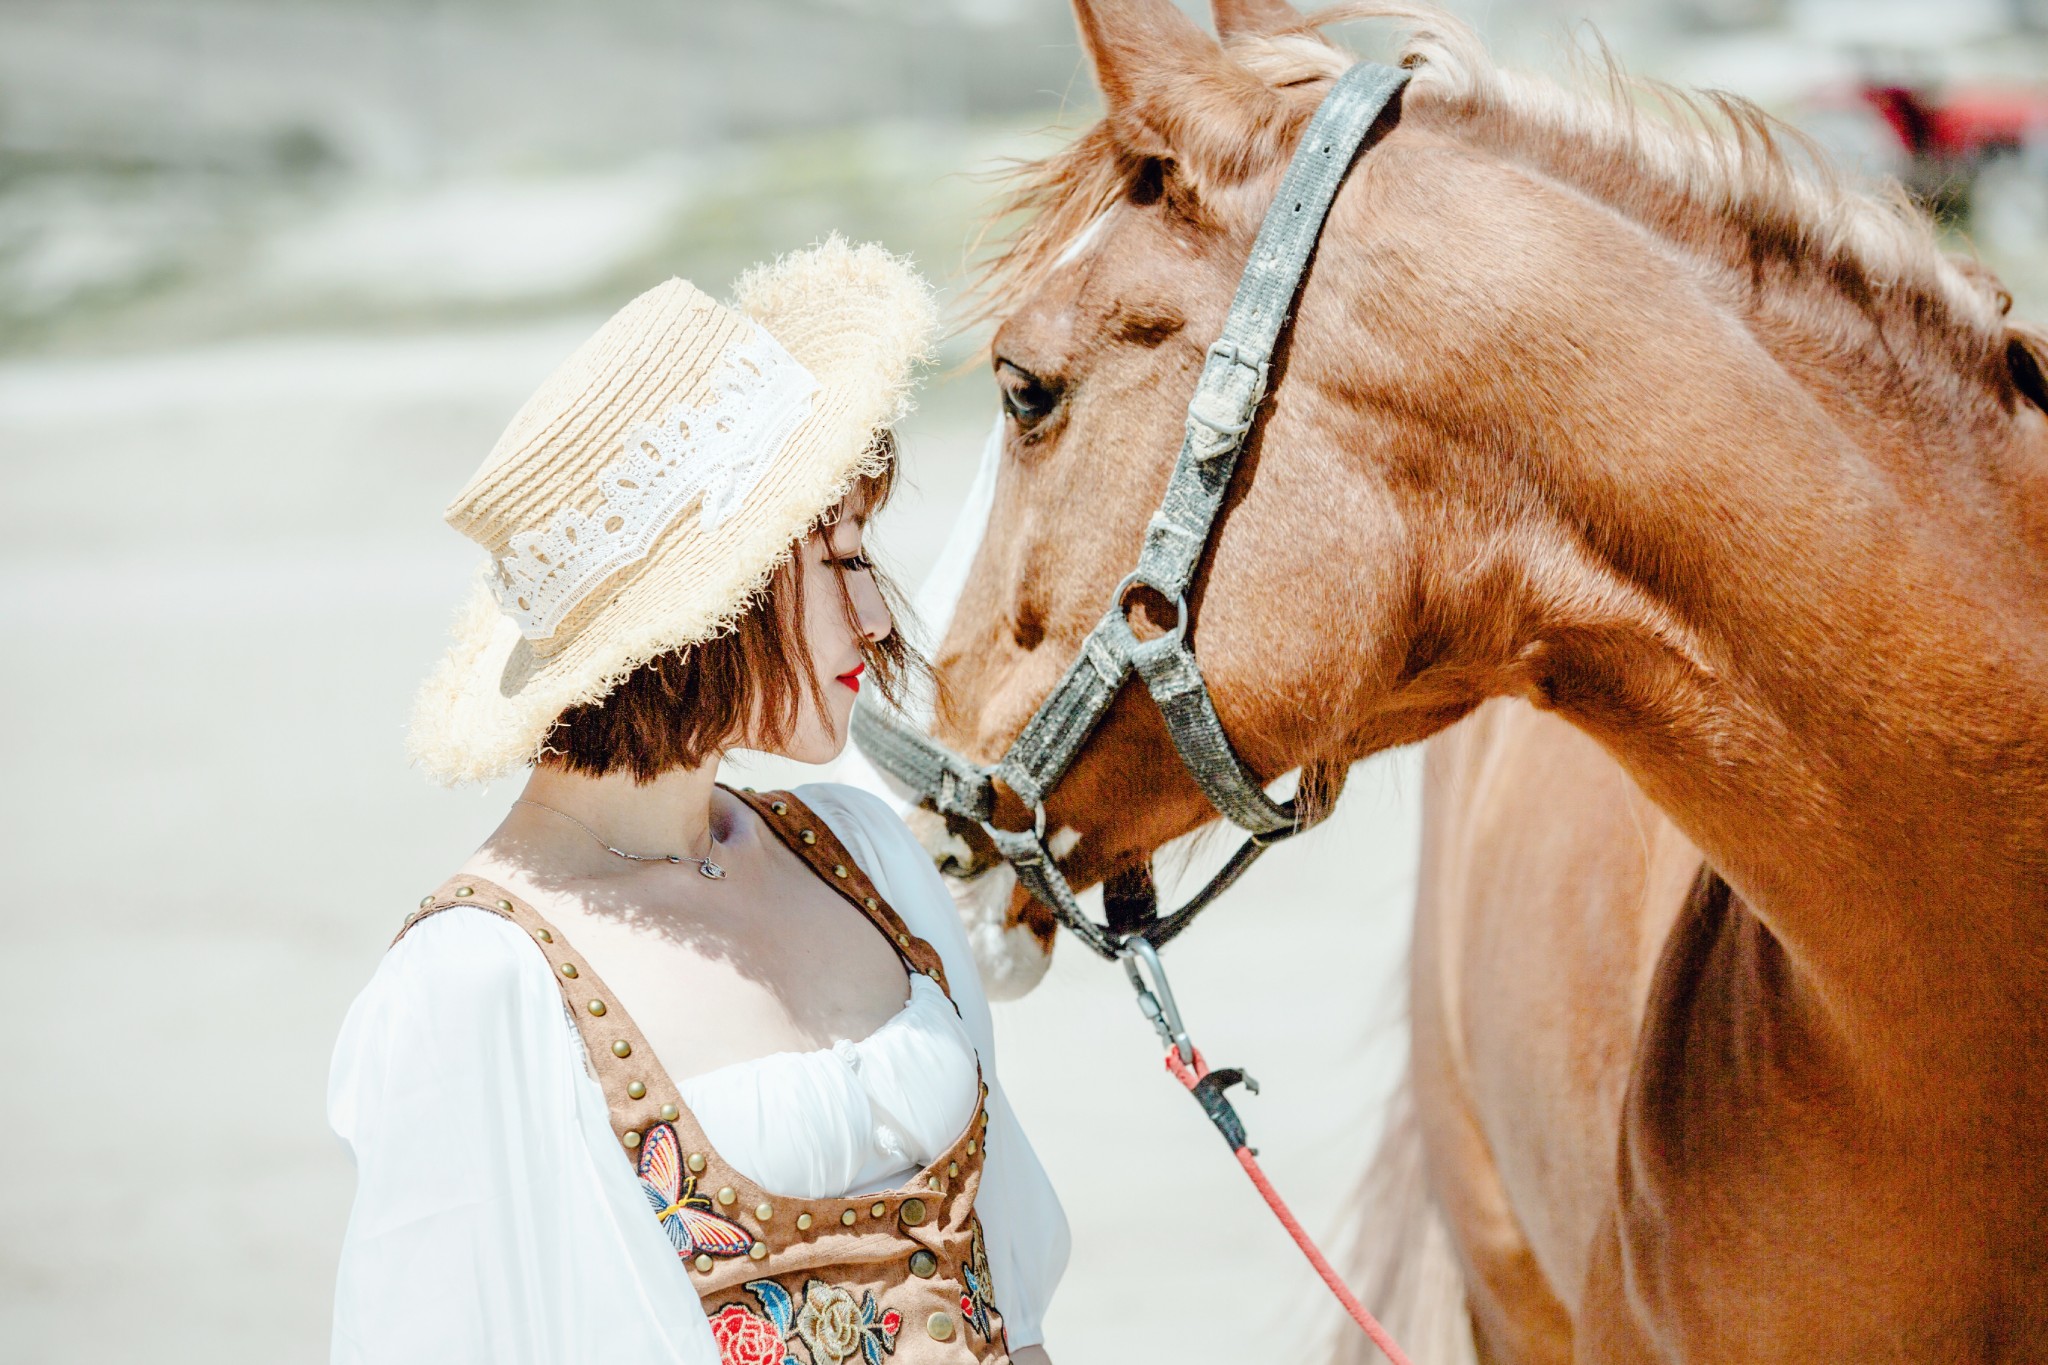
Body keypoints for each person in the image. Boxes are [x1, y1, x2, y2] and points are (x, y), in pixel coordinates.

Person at [327, 237, 1068, 1365]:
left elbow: (1011, 1302)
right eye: (842, 556)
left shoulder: (865, 854)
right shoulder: (481, 983)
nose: (879, 616)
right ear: (718, 597)